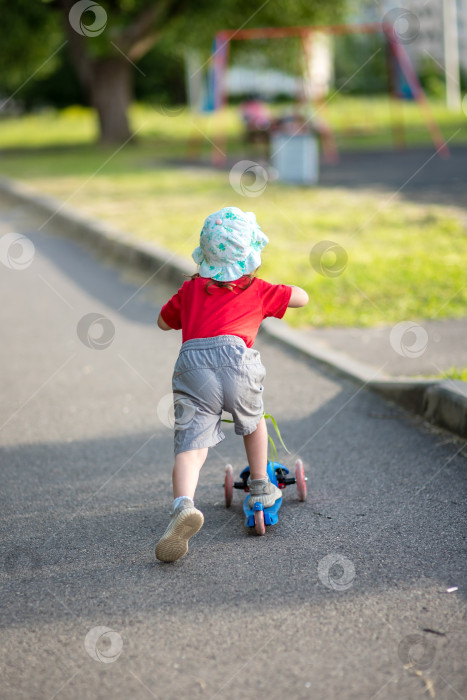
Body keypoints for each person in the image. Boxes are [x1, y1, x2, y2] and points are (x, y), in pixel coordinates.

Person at [155, 206, 308, 562]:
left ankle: (183, 506)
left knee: (190, 446)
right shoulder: (258, 289)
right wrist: (278, 288)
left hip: (192, 367)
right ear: (252, 258)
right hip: (237, 363)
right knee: (253, 424)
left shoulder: (191, 289)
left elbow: (163, 322)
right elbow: (302, 297)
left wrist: (188, 303)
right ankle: (259, 485)